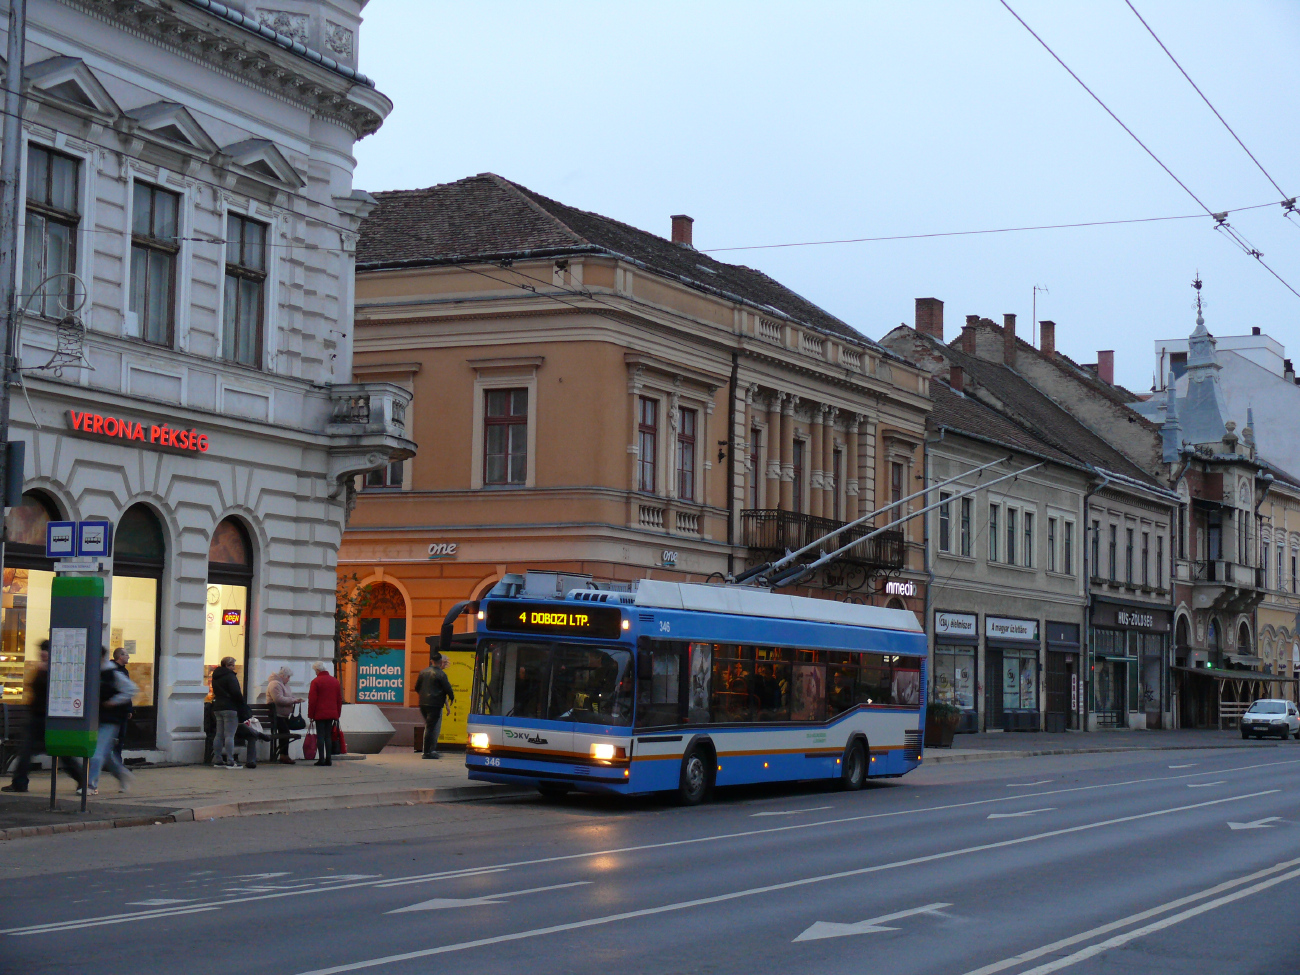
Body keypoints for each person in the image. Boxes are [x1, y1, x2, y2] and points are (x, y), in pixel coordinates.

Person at [2, 640, 85, 793]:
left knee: (62, 752)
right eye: (42, 650)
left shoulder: (57, 670)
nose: (43, 653)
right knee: (27, 751)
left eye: (46, 650)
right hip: (36, 718)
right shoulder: (41, 669)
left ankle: (82, 780)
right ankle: (19, 783)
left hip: (50, 718)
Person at [84, 647, 138, 795]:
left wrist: (113, 702)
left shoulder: (111, 673)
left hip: (110, 719)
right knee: (106, 754)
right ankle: (123, 775)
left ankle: (91, 785)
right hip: (98, 717)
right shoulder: (95, 672)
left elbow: (131, 689)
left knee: (97, 752)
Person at [210, 656, 251, 769]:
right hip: (230, 707)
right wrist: (242, 703)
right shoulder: (230, 676)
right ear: (228, 665)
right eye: (232, 665)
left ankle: (218, 759)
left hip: (218, 707)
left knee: (219, 735)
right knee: (229, 735)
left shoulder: (216, 676)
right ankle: (230, 760)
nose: (234, 667)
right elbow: (236, 693)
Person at [414, 653, 454, 759]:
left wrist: (423, 696)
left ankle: (429, 750)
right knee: (431, 727)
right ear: (440, 662)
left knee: (429, 726)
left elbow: (417, 687)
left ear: (431, 661)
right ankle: (427, 752)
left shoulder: (423, 672)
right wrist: (451, 697)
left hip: (423, 703)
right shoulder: (441, 674)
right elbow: (447, 688)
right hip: (435, 704)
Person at [265, 667, 303, 765]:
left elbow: (287, 697)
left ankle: (284, 755)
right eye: (288, 677)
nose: (289, 679)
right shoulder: (275, 684)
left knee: (285, 733)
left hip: (283, 715)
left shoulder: (284, 685)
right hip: (277, 715)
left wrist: (295, 699)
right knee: (285, 733)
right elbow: (278, 699)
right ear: (282, 676)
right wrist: (293, 700)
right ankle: (283, 755)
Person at [308, 661, 342, 767]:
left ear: (318, 670)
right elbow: (339, 699)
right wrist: (338, 713)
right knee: (328, 736)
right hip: (332, 713)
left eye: (315, 670)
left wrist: (311, 715)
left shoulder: (316, 682)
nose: (315, 672)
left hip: (319, 713)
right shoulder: (335, 681)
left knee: (320, 736)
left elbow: (312, 700)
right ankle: (329, 759)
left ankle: (321, 759)